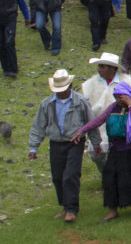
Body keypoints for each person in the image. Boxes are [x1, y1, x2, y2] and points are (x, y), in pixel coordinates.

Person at [72, 82, 131, 222]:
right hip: (116, 150)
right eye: (116, 97)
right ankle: (112, 210)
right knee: (110, 179)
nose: (118, 100)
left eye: (121, 97)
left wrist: (130, 104)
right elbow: (98, 120)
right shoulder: (113, 108)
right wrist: (82, 130)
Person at [28, 69, 101, 223]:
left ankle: (71, 209)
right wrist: (33, 148)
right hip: (55, 143)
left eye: (63, 90)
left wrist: (96, 143)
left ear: (70, 86)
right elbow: (38, 126)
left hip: (75, 142)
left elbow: (91, 123)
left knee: (71, 175)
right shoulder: (46, 104)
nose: (61, 93)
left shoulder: (81, 102)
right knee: (58, 177)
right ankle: (65, 205)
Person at [0, 0, 30, 76]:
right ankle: (5, 68)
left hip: (10, 18)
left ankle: (13, 68)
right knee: (1, 43)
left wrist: (26, 16)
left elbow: (21, 2)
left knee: (9, 42)